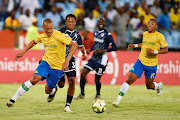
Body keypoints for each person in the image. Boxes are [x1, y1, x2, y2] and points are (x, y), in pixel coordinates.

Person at [6, 19, 77, 108]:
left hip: (58, 67)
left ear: (53, 27)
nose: (49, 31)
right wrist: (23, 52)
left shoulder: (59, 36)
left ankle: (53, 90)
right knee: (35, 79)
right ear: (43, 28)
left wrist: (67, 61)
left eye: (51, 29)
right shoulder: (42, 36)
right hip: (46, 63)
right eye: (47, 29)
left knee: (47, 90)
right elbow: (33, 42)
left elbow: (74, 45)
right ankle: (13, 99)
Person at [112, 19, 168, 107]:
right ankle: (118, 100)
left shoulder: (159, 36)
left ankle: (158, 86)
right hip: (141, 61)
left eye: (152, 24)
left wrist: (154, 52)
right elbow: (144, 44)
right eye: (149, 23)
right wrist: (134, 45)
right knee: (130, 78)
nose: (150, 25)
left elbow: (165, 49)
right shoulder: (145, 34)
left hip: (152, 65)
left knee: (149, 86)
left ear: (156, 26)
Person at [48, 14, 87, 112]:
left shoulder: (77, 35)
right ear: (66, 22)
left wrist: (84, 53)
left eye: (72, 21)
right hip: (59, 60)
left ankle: (67, 105)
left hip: (70, 60)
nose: (70, 23)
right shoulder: (60, 32)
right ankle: (55, 89)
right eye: (68, 21)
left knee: (72, 81)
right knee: (61, 84)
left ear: (75, 23)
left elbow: (81, 46)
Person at [74, 17, 117, 100]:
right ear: (97, 24)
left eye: (102, 22)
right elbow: (96, 43)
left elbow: (114, 47)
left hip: (102, 60)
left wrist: (103, 50)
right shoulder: (96, 32)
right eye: (99, 22)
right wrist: (91, 49)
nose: (101, 23)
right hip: (94, 58)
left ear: (104, 24)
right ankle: (82, 94)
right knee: (83, 74)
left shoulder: (107, 34)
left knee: (97, 79)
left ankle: (98, 94)